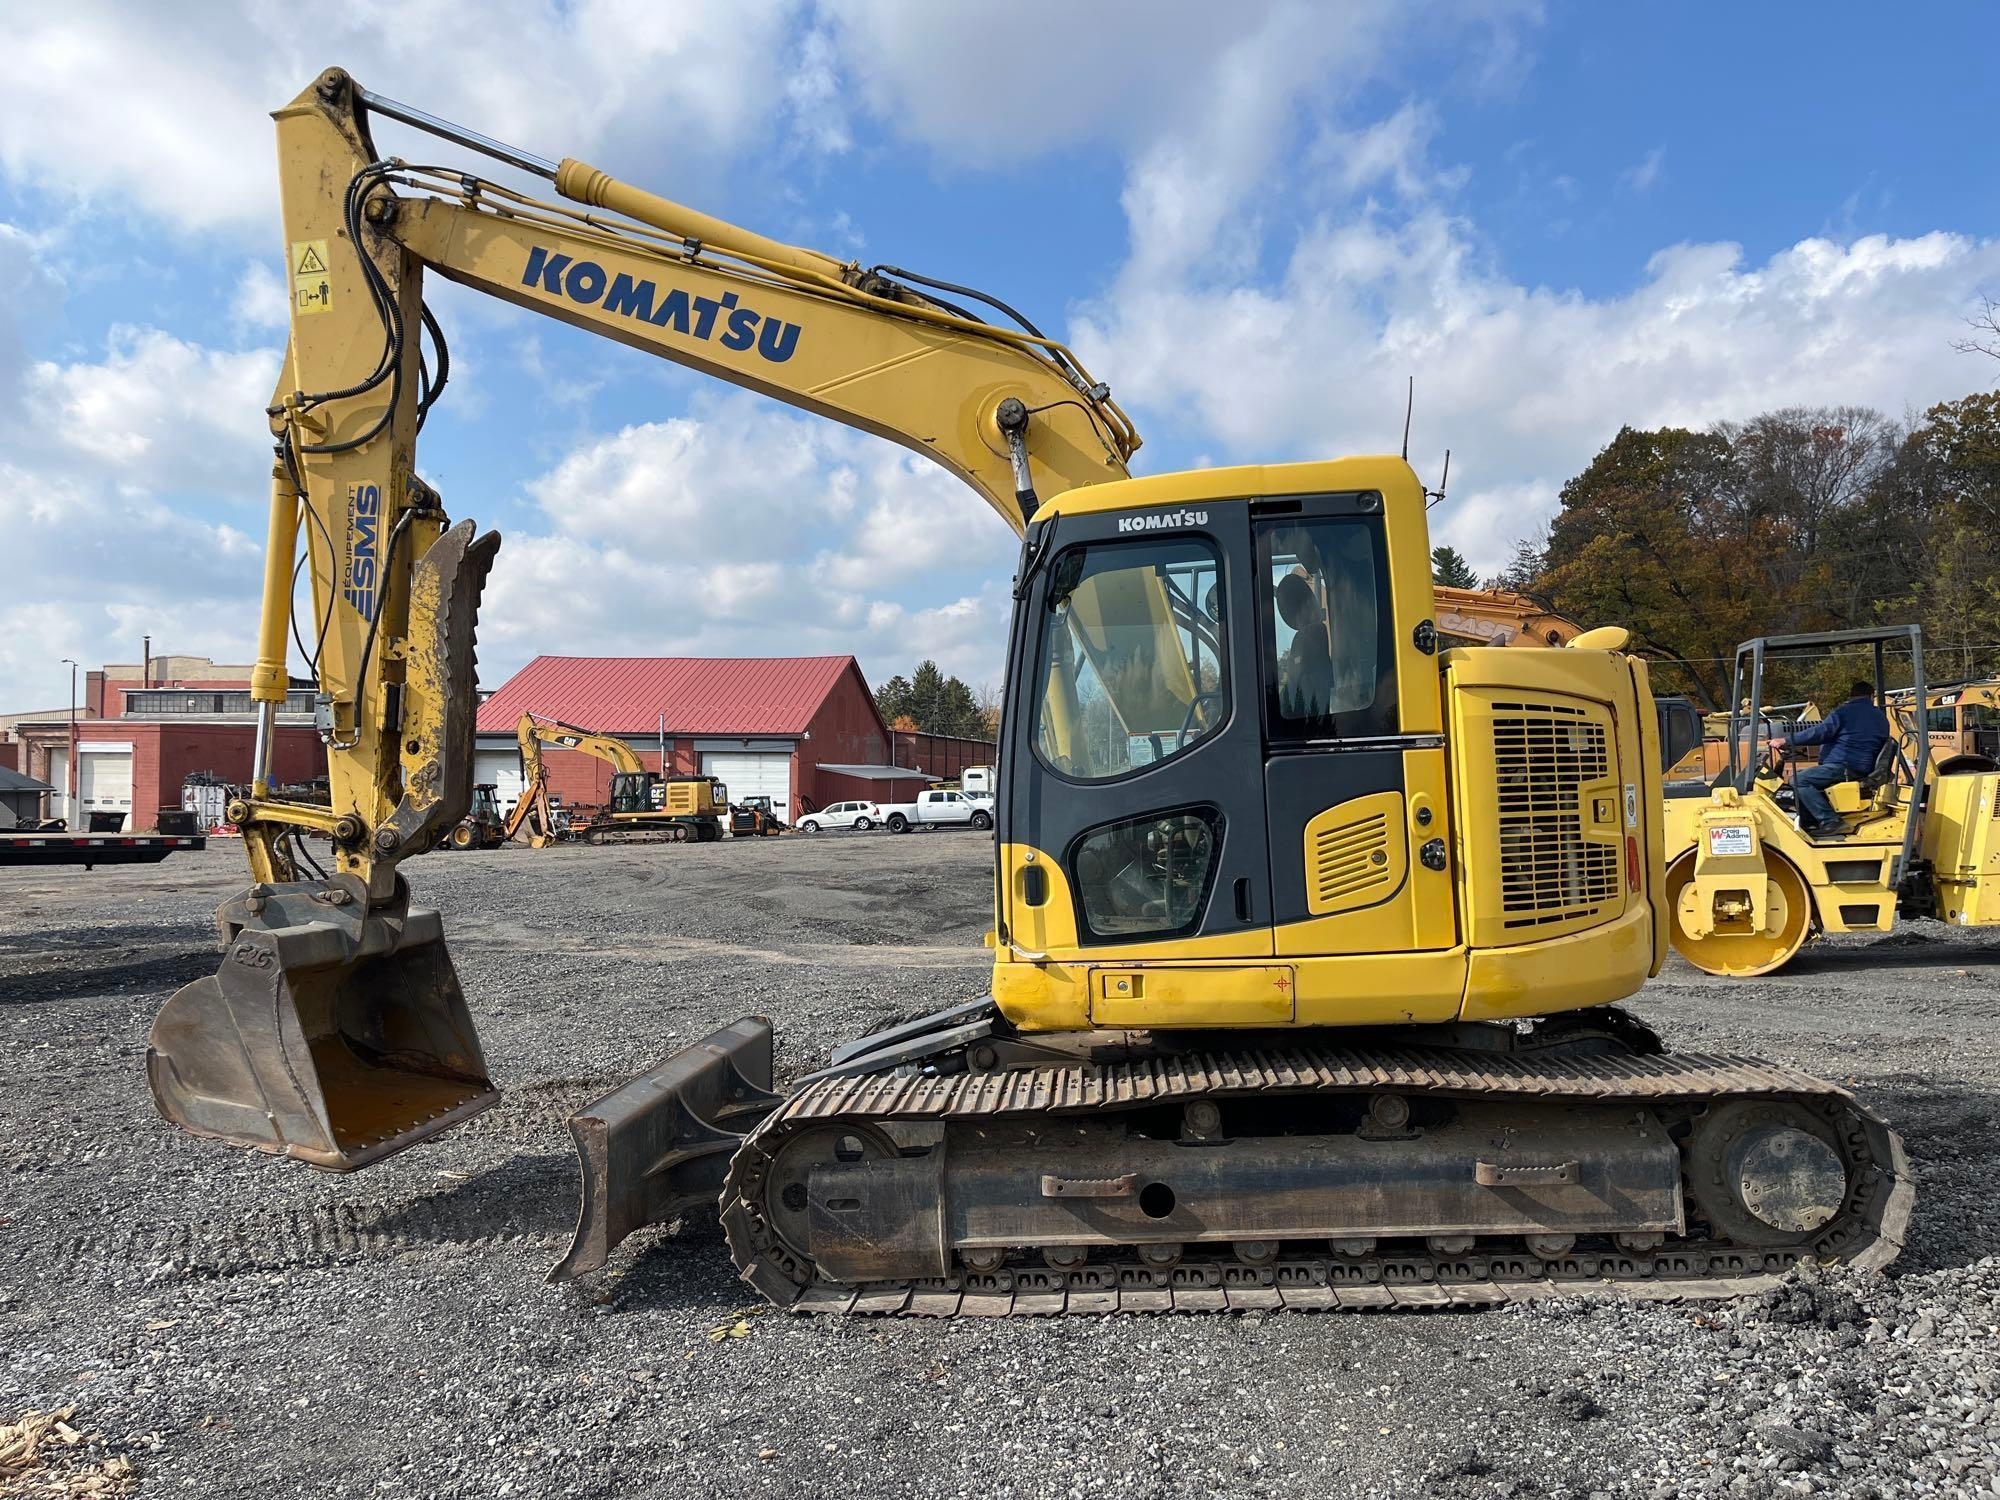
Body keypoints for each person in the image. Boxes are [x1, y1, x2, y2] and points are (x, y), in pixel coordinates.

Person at [1773, 682, 1892, 839]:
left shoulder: (1845, 712)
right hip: (1860, 766)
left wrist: (1786, 741)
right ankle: (1809, 822)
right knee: (1806, 777)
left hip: (1844, 766)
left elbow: (1821, 732)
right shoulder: (1880, 717)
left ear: (1851, 696)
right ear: (1871, 696)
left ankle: (1830, 821)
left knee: (1799, 780)